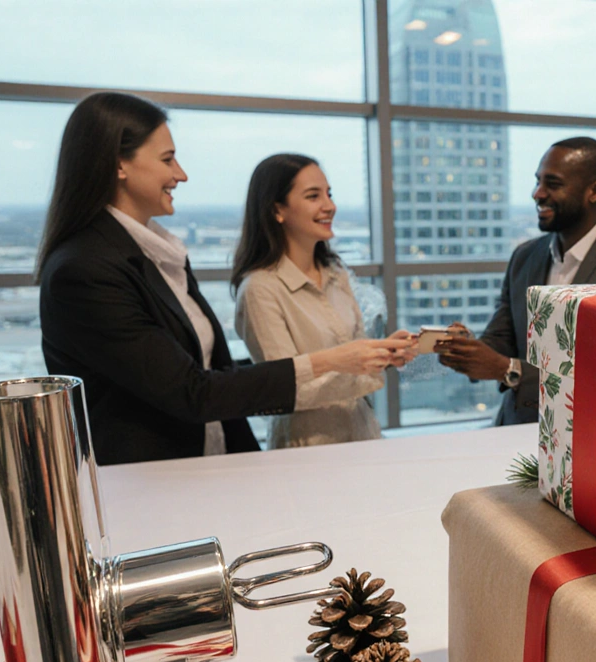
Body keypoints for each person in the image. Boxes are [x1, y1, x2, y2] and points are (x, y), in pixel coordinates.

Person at [37, 92, 412, 465]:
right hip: (151, 485)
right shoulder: (84, 271)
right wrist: (329, 361)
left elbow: (208, 375)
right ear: (120, 164)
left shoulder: (157, 255)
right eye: (167, 159)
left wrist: (358, 358)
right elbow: (191, 392)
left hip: (211, 465)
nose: (180, 174)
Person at [436, 137, 596, 425]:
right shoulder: (525, 257)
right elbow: (504, 340)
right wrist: (469, 351)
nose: (537, 194)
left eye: (552, 184)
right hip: (514, 429)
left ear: (594, 191)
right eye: (537, 181)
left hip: (590, 440)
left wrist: (510, 369)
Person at [232, 154, 415, 449]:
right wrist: (363, 366)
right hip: (306, 447)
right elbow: (286, 390)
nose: (329, 206)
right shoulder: (260, 289)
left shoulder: (336, 274)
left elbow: (353, 353)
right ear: (277, 209)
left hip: (361, 433)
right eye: (313, 196)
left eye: (328, 194)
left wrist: (384, 352)